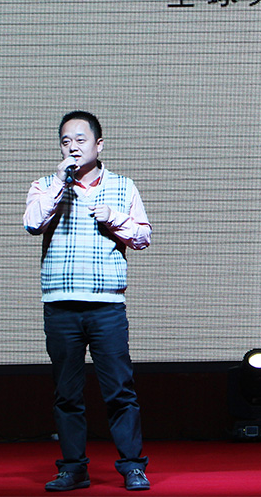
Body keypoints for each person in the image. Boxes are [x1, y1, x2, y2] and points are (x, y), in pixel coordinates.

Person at [24, 111, 152, 492]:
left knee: (120, 390)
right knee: (67, 393)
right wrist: (58, 186)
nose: (73, 147)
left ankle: (132, 466)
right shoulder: (45, 185)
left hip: (106, 306)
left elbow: (143, 237)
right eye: (66, 141)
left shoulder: (123, 187)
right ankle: (74, 468)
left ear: (99, 144)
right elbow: (32, 223)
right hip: (60, 304)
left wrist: (113, 216)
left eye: (81, 140)